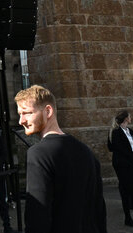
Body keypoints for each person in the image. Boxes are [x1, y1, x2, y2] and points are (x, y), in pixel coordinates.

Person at [14, 85, 106, 233]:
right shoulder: (86, 151)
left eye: (27, 113)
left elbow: (37, 216)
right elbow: (99, 212)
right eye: (20, 114)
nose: (21, 120)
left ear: (48, 111)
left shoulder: (38, 154)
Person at [107, 110, 133, 227]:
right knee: (126, 191)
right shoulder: (115, 132)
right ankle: (128, 219)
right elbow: (118, 149)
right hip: (123, 165)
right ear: (126, 118)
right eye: (129, 116)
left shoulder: (130, 131)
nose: (131, 118)